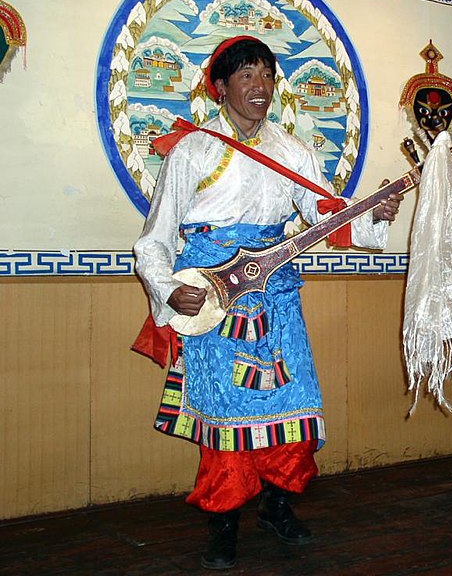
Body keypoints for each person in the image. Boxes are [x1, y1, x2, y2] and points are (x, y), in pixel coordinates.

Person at [133, 36, 402, 570]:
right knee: (226, 417)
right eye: (247, 75)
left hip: (276, 294)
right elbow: (155, 238)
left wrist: (374, 214)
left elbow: (326, 215)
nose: (260, 86)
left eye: (267, 75)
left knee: (296, 408)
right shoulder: (194, 150)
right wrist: (167, 289)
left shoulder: (293, 150)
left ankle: (279, 506)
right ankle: (224, 523)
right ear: (221, 87)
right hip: (215, 296)